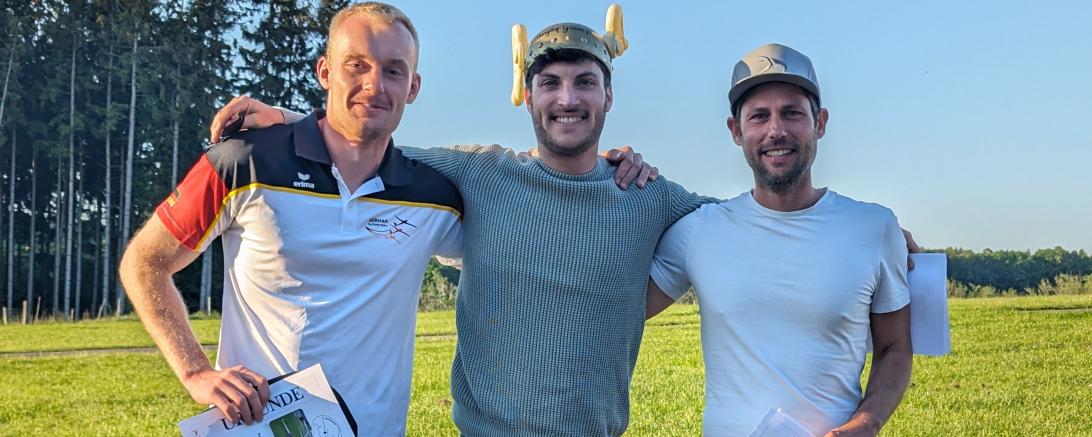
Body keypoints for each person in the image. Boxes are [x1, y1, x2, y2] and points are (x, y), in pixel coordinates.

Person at [213, 12, 713, 436]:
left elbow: (732, 223)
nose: (567, 99)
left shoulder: (646, 195)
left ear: (608, 96)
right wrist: (289, 119)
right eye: (550, 84)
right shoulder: (482, 173)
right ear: (527, 95)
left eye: (585, 82)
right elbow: (369, 144)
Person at [120, 4, 461, 436]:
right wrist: (195, 372)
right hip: (256, 426)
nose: (374, 85)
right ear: (325, 72)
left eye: (393, 71)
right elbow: (144, 262)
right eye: (357, 65)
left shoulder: (434, 196)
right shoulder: (244, 161)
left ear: (413, 87)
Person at [646, 43, 913, 436]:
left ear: (820, 122)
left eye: (792, 113)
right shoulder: (698, 232)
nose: (776, 130)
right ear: (736, 131)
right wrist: (598, 172)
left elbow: (895, 347)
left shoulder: (874, 227)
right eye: (759, 116)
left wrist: (866, 424)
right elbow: (613, 310)